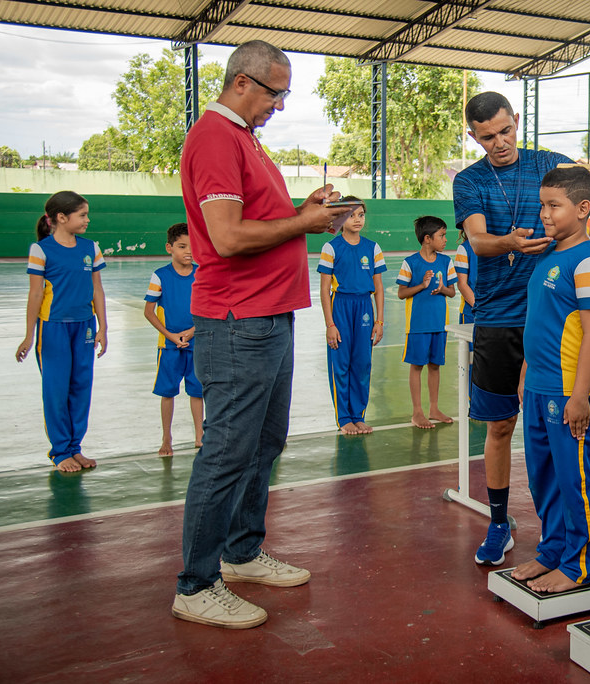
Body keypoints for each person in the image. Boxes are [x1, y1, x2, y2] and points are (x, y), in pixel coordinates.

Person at [171, 39, 351, 630]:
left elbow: (258, 220)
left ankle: (242, 552)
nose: (280, 105)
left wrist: (303, 210)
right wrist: (304, 222)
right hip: (237, 319)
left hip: (268, 316)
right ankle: (196, 584)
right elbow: (226, 237)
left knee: (263, 444)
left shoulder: (245, 138)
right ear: (243, 82)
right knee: (227, 451)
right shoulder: (215, 138)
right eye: (277, 93)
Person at [452, 91, 590, 566]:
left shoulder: (549, 162)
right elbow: (477, 240)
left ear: (516, 120)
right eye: (487, 137)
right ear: (473, 136)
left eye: (505, 131)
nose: (500, 143)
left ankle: (570, 552)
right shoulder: (470, 180)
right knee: (501, 427)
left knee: (565, 444)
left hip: (554, 317)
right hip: (499, 317)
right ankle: (499, 523)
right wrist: (508, 243)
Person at [510, 166, 590, 592]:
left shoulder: (589, 263)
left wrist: (580, 396)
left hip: (571, 393)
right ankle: (551, 551)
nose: (544, 214)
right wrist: (526, 373)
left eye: (554, 205)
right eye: (543, 205)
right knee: (543, 478)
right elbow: (541, 322)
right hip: (538, 387)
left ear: (583, 208)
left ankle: (578, 565)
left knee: (575, 480)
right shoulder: (548, 255)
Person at [15, 190, 107, 473]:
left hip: (85, 327)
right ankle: (60, 451)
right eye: (82, 215)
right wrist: (29, 335)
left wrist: (103, 327)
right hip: (52, 328)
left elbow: (97, 289)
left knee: (81, 388)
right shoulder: (41, 250)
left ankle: (75, 447)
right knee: (56, 390)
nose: (87, 220)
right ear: (61, 217)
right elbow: (35, 294)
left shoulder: (90, 248)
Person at [318, 198, 386, 435]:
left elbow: (379, 287)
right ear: (340, 219)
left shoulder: (373, 248)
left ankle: (358, 415)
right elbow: (324, 290)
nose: (357, 220)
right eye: (351, 215)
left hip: (364, 308)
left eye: (361, 215)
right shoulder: (331, 248)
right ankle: (344, 417)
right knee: (341, 364)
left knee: (362, 364)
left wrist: (379, 321)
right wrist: (330, 324)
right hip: (341, 307)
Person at [143, 223, 204, 457]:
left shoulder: (201, 273)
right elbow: (149, 312)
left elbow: (209, 309)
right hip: (169, 346)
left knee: (197, 391)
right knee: (167, 392)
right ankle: (166, 438)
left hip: (196, 343)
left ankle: (200, 435)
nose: (188, 251)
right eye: (182, 246)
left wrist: (192, 331)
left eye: (192, 246)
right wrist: (171, 336)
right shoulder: (160, 276)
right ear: (169, 248)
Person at [396, 216, 457, 429]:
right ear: (427, 238)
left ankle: (434, 408)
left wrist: (442, 289)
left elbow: (452, 292)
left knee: (435, 366)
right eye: (442, 235)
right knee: (417, 366)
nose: (445, 240)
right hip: (417, 325)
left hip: (439, 324)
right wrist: (422, 285)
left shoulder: (446, 262)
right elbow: (401, 293)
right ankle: (417, 412)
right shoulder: (410, 262)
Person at [453, 223, 477, 325]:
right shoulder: (464, 248)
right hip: (471, 314)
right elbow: (462, 284)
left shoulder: (498, 247)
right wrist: (479, 308)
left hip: (494, 313)